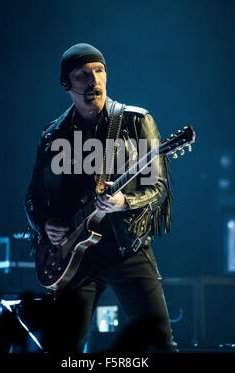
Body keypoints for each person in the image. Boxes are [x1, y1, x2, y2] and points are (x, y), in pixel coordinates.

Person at [24, 43, 177, 352]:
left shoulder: (135, 121)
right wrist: (46, 224)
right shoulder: (53, 134)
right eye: (83, 74)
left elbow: (158, 189)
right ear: (66, 84)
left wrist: (124, 202)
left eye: (99, 71)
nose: (94, 80)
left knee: (160, 347)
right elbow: (32, 196)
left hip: (127, 250)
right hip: (75, 258)